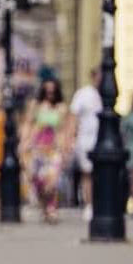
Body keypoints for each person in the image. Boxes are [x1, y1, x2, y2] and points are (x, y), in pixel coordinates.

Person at [21, 77, 66, 222]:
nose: (49, 95)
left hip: (53, 149)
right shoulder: (36, 106)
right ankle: (44, 207)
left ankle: (52, 209)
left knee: (52, 182)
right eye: (47, 92)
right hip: (37, 148)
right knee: (38, 181)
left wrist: (64, 147)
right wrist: (24, 142)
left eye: (52, 92)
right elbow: (28, 124)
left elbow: (63, 130)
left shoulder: (61, 108)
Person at [67, 67, 102, 216]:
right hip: (85, 140)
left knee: (99, 173)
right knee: (87, 172)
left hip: (100, 140)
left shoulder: (105, 95)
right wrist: (71, 137)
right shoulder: (84, 94)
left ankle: (97, 203)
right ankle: (89, 204)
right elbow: (73, 116)